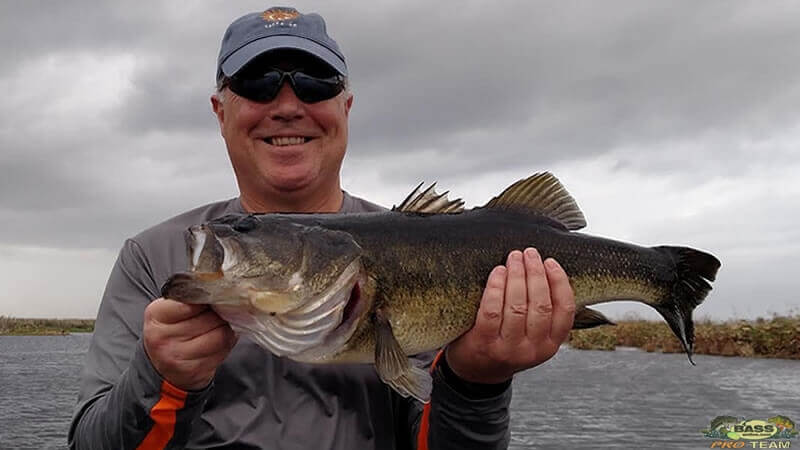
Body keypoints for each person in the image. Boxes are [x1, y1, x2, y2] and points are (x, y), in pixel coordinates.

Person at [69, 7, 575, 450]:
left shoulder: (413, 250)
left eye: (315, 82)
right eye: (257, 82)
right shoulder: (152, 259)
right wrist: (160, 379)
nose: (288, 105)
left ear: (345, 108)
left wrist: (476, 383)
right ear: (220, 112)